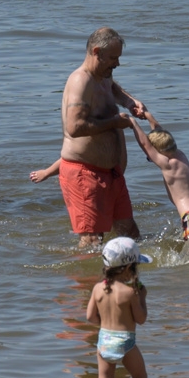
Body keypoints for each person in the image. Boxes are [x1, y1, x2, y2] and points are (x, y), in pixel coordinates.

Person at [59, 27, 147, 246]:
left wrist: (128, 101)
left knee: (130, 234)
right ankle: (87, 280)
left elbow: (113, 87)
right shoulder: (81, 81)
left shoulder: (103, 74)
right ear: (96, 51)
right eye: (113, 58)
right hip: (85, 174)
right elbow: (75, 127)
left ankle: (131, 277)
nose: (117, 63)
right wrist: (115, 123)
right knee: (91, 240)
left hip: (111, 174)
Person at [85, 237, 152, 378]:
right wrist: (143, 298)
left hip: (104, 339)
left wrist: (105, 325)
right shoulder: (130, 292)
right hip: (125, 341)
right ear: (128, 267)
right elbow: (141, 319)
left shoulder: (98, 288)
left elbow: (90, 317)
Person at [128, 113, 189, 240]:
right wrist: (147, 115)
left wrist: (133, 123)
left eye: (150, 157)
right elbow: (160, 133)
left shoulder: (167, 164)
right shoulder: (181, 155)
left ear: (157, 152)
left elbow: (145, 144)